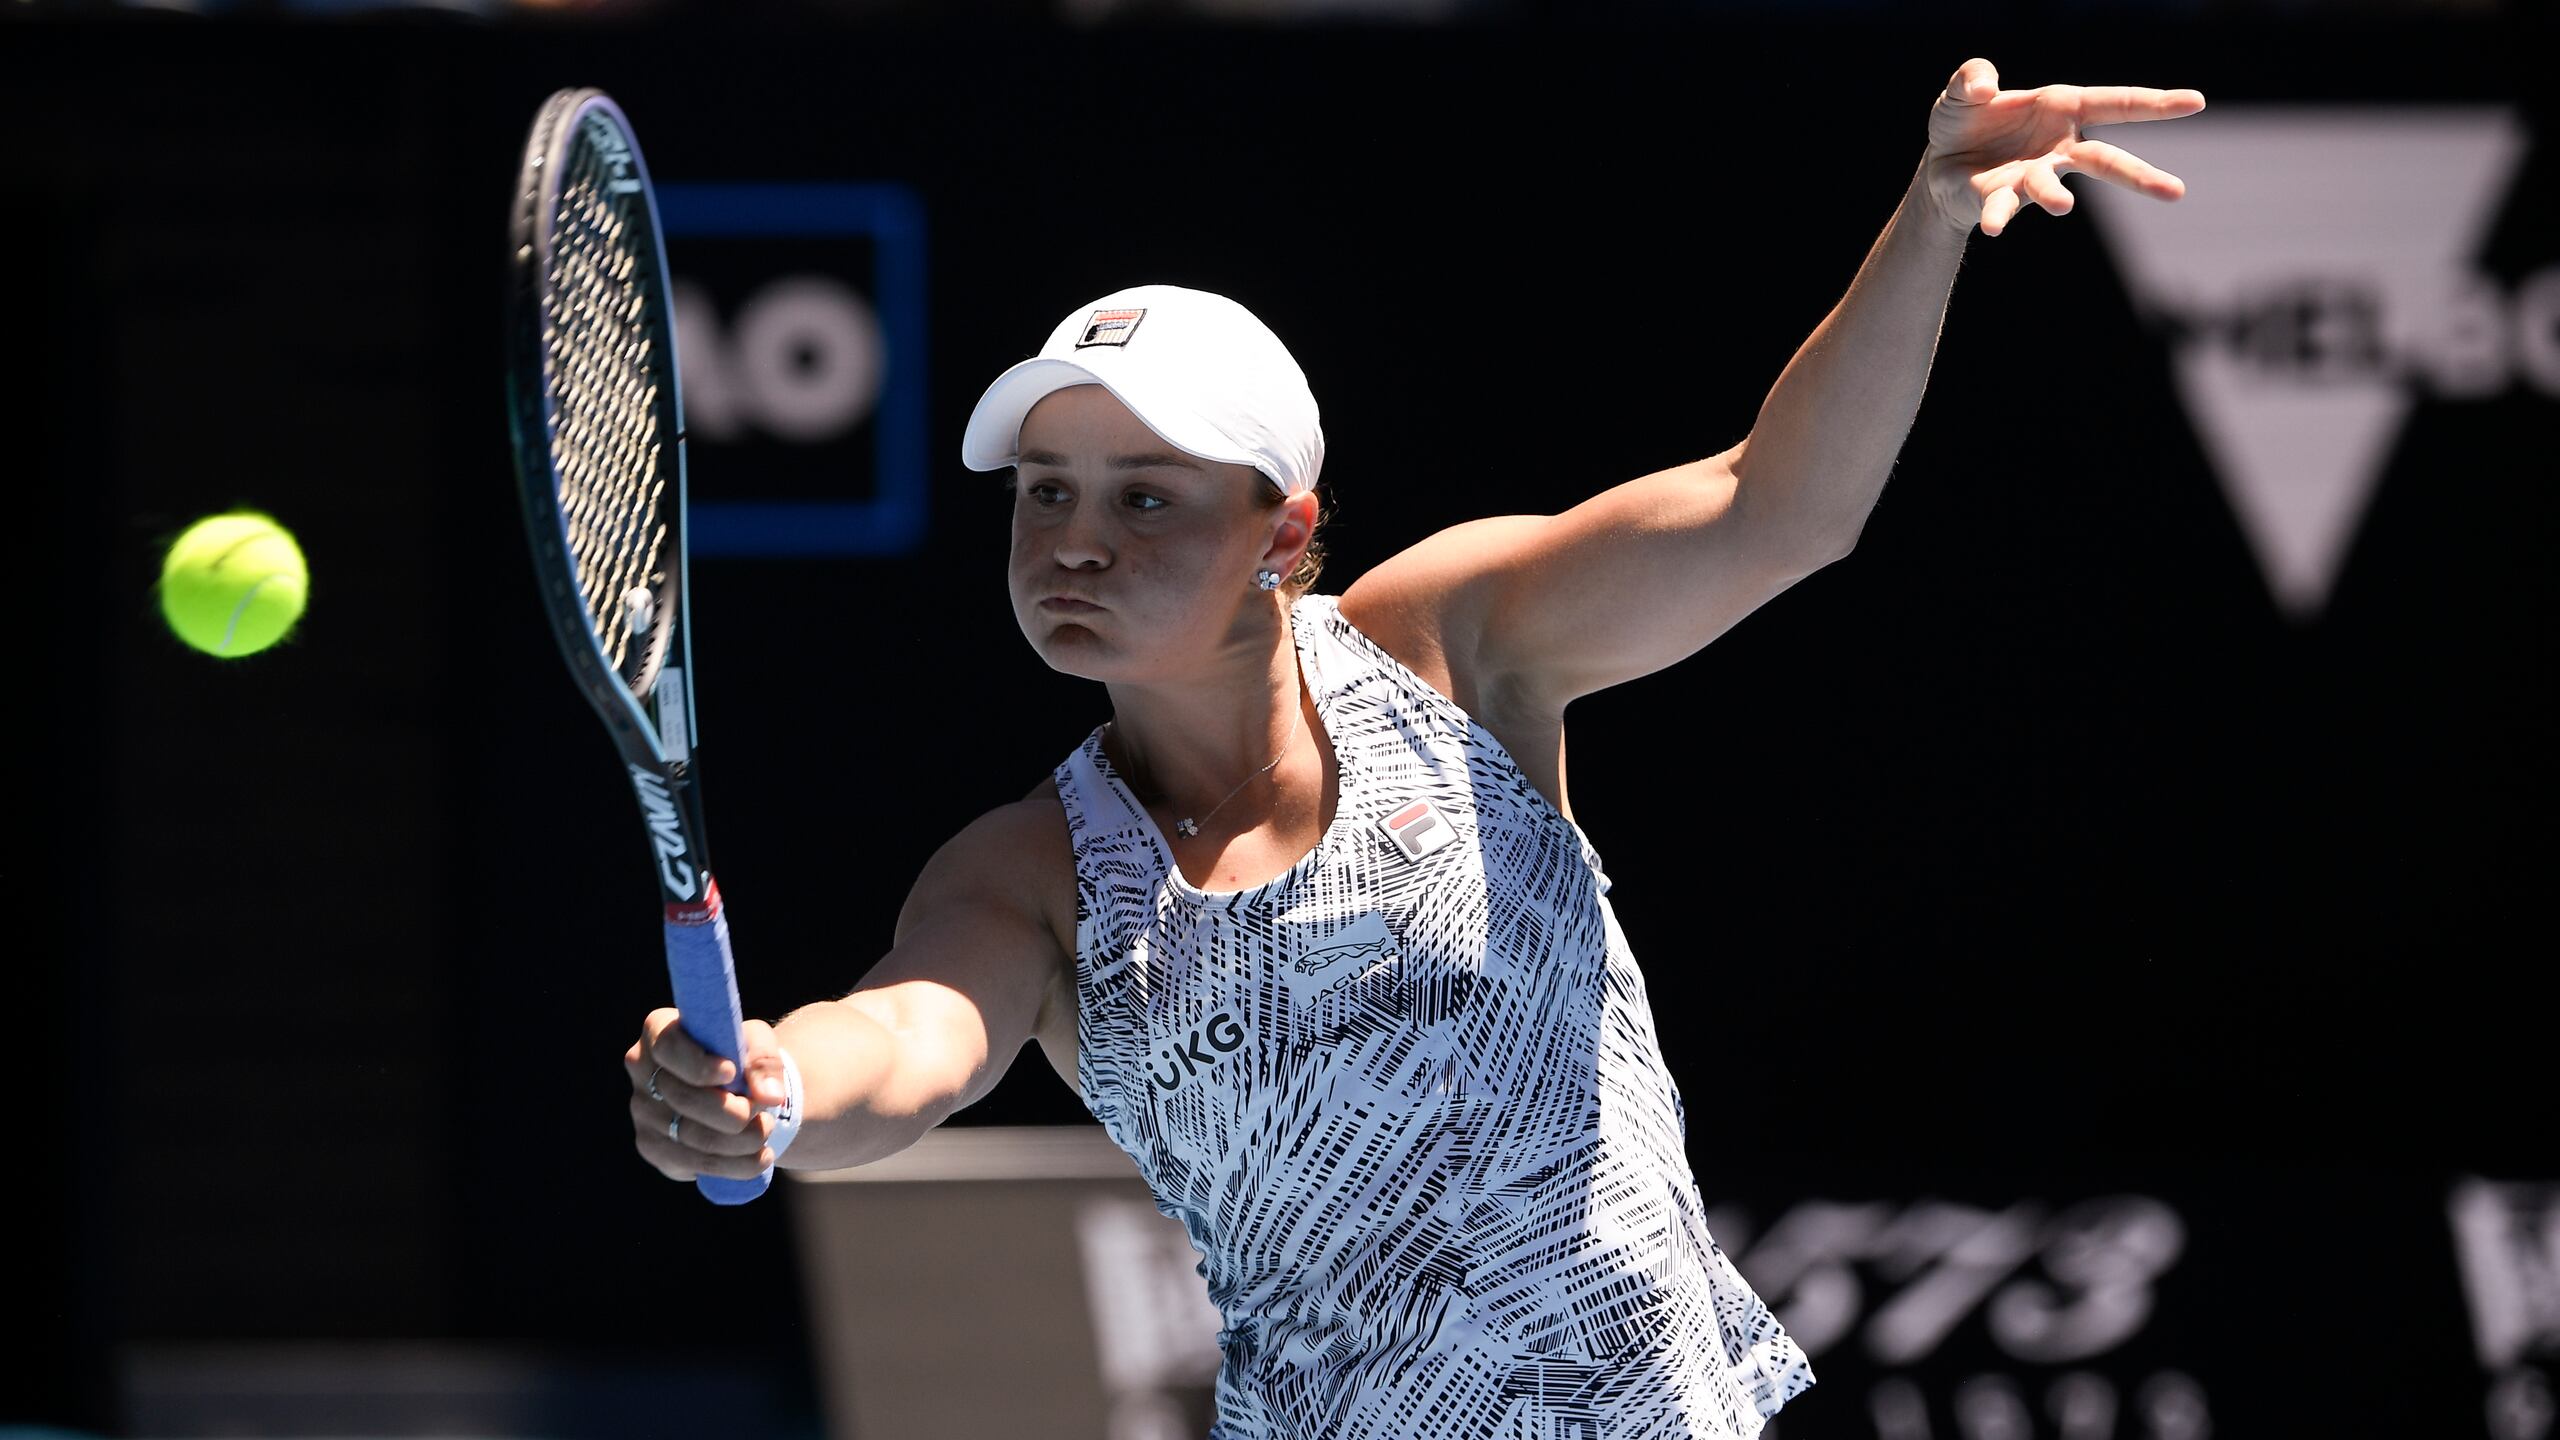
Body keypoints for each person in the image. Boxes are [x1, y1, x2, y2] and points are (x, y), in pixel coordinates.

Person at [624, 57, 2205, 1439]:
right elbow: (906, 1044)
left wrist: (1931, 211)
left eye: (1145, 494)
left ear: (1283, 532)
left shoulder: (1448, 646)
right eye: (1045, 491)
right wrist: (777, 1083)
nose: (1075, 541)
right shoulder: (1034, 874)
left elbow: (1773, 508)